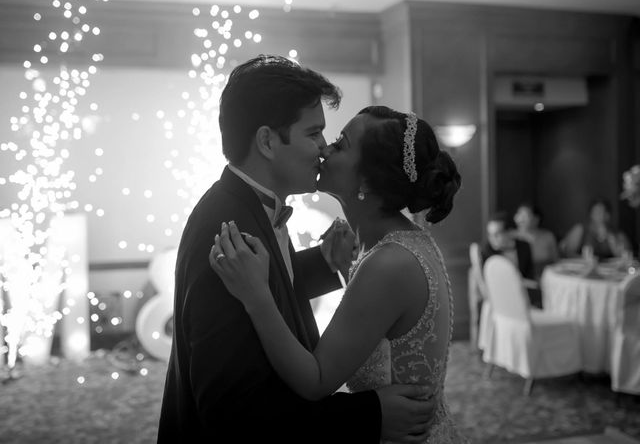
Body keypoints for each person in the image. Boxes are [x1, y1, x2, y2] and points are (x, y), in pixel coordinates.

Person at [157, 56, 434, 443]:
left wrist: (323, 264)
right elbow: (231, 411)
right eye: (314, 133)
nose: (323, 148)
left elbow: (273, 287)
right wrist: (368, 415)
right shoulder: (227, 230)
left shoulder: (250, 208)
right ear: (268, 141)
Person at [211, 105, 469, 443]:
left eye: (340, 143)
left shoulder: (389, 263)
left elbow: (315, 380)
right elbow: (384, 330)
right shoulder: (392, 244)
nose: (325, 148)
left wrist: (256, 295)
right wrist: (339, 268)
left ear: (367, 178)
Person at [479, 211, 542, 308]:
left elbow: (530, 274)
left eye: (497, 234)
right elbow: (488, 284)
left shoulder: (524, 247)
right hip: (499, 299)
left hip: (523, 295)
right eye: (490, 234)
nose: (492, 239)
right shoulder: (487, 251)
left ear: (510, 232)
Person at [559, 197, 631, 260]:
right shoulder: (580, 229)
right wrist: (585, 260)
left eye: (602, 212)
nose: (599, 215)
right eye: (596, 212)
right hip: (581, 268)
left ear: (608, 215)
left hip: (609, 271)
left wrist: (610, 237)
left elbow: (625, 256)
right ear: (590, 214)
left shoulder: (618, 234)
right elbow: (566, 252)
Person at [510, 202, 558, 279]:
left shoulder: (548, 236)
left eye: (525, 215)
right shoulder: (510, 237)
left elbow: (555, 260)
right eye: (519, 214)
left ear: (536, 219)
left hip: (546, 278)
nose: (521, 219)